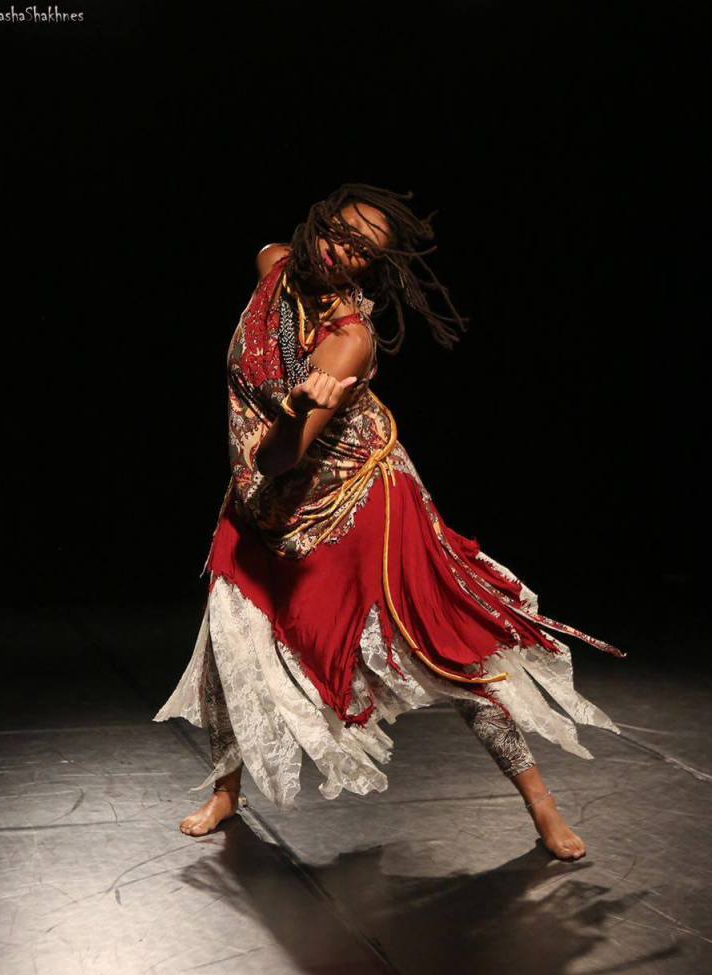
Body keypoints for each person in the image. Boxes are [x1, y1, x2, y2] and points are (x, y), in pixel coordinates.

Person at [153, 183, 627, 861]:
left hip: (353, 502)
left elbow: (283, 458)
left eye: (362, 251)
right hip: (260, 503)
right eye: (341, 232)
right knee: (230, 641)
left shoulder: (348, 340)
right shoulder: (273, 264)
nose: (342, 251)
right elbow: (264, 449)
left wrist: (296, 410)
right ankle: (228, 790)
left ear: (369, 267)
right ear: (319, 221)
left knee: (444, 648)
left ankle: (541, 804)